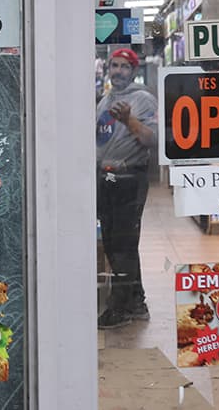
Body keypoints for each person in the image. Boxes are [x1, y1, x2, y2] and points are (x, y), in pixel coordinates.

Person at [96, 48, 157, 329]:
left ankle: (120, 307)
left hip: (130, 179)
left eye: (124, 66)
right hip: (106, 180)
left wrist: (129, 120)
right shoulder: (105, 100)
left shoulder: (142, 99)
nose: (118, 70)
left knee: (123, 245)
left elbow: (152, 140)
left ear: (133, 70)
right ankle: (136, 301)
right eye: (114, 65)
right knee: (114, 242)